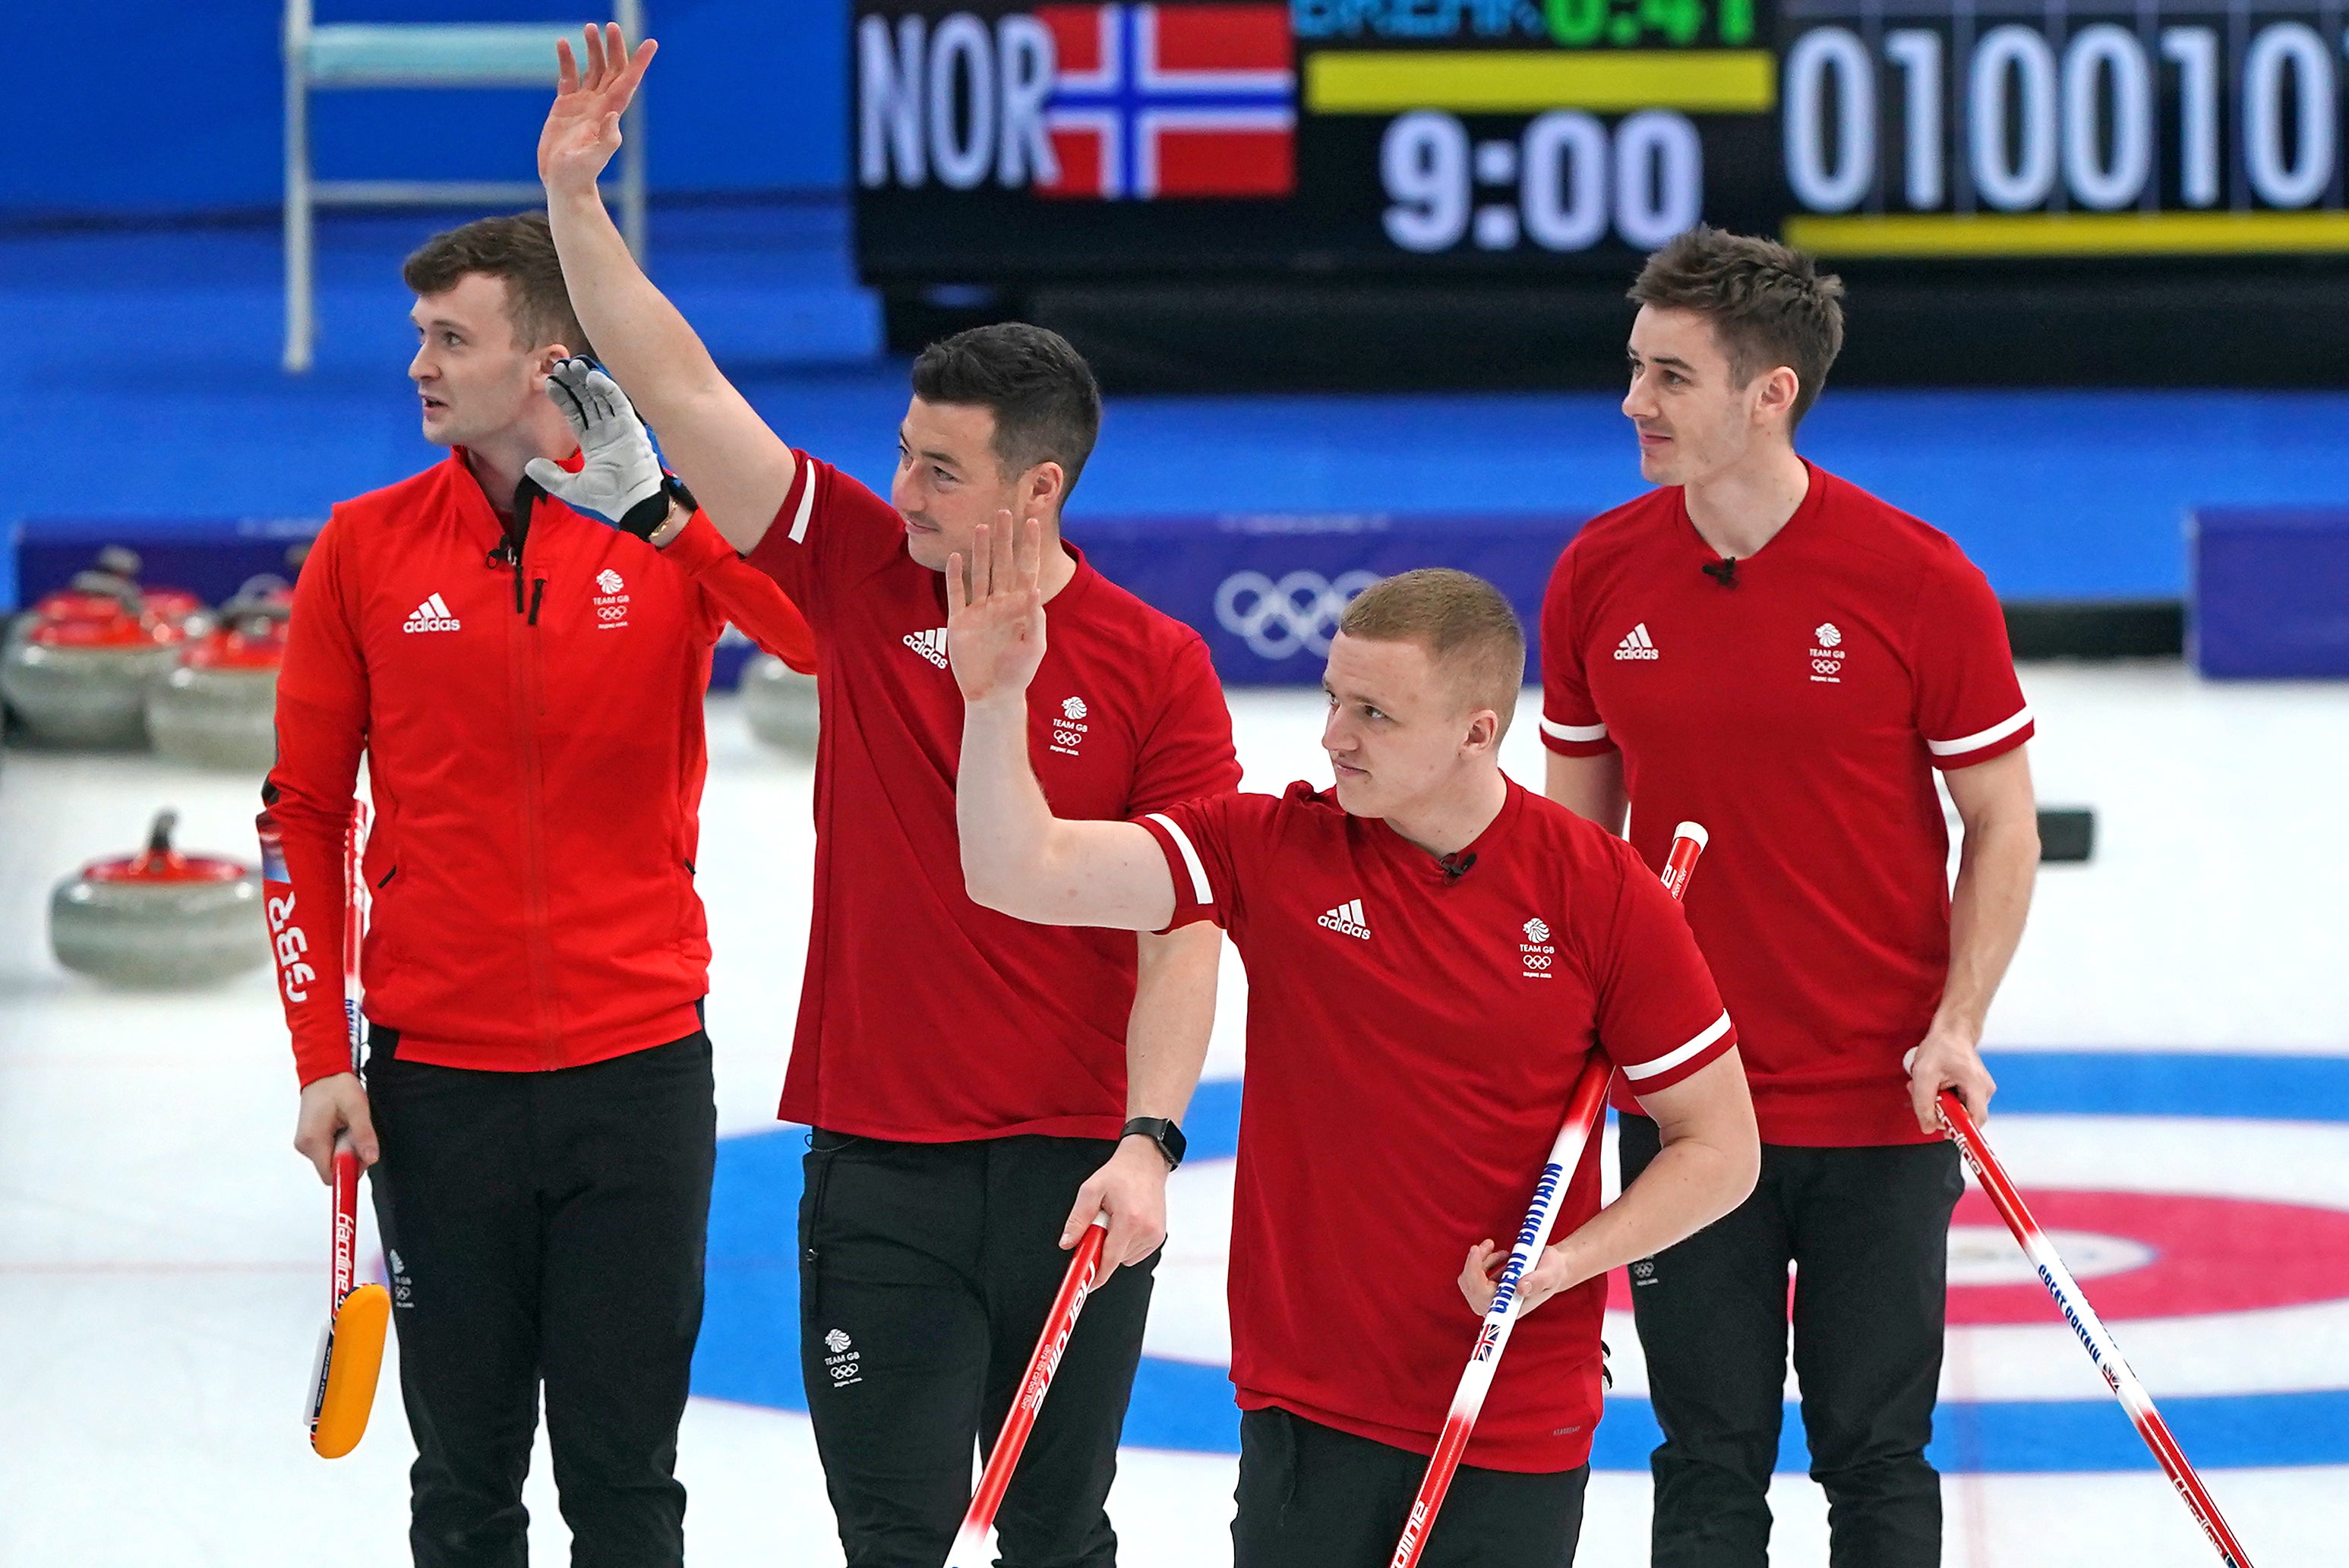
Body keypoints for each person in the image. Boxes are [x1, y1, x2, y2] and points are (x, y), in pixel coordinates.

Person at [534, 28, 1242, 1566]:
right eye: (903, 456)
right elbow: (679, 382)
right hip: (878, 1167)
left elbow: (1184, 928)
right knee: (893, 1534)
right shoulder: (857, 568)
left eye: (936, 468)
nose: (901, 488)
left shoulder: (1154, 667)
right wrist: (576, 203)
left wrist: (1150, 1141)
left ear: (1034, 489)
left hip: (1073, 1170)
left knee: (1059, 1533)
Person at [949, 541, 1762, 1567]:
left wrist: (1559, 1264)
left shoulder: (1599, 892)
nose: (1333, 735)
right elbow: (1020, 869)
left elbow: (1720, 1147)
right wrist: (990, 703)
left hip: (1508, 1408)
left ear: (1477, 731)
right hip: (1310, 1406)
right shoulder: (1273, 847)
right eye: (1334, 698)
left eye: (1373, 713)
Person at [265, 210, 816, 1567]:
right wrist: (319, 1056)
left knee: (627, 1486)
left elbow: (829, 641)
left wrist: (671, 523)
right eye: (418, 338)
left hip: (636, 1076)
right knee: (462, 1484)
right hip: (435, 1084)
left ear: (547, 361)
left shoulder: (662, 528)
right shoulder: (363, 546)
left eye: (452, 338)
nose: (419, 366)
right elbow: (303, 815)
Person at [1539, 227, 2041, 1567]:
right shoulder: (1595, 573)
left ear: (1770, 393)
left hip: (1880, 1097)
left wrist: (1957, 1019)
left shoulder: (1917, 579)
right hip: (1687, 1100)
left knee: (1875, 1454)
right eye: (1633, 367)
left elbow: (1997, 822)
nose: (1634, 402)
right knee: (1703, 1455)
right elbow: (1575, 844)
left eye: (1670, 376)